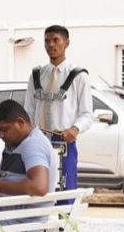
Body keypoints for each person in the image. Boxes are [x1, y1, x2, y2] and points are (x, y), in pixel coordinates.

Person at [24, 24, 91, 192]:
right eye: (47, 41)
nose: (51, 45)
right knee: (38, 191)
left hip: (65, 143)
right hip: (39, 141)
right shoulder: (36, 75)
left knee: (66, 192)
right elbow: (29, 111)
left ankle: (66, 217)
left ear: (66, 43)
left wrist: (75, 129)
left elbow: (87, 114)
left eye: (56, 40)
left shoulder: (79, 76)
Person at [0, 98, 57, 199]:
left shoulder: (33, 143)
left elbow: (38, 187)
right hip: (6, 210)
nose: (1, 135)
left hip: (23, 213)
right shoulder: (13, 143)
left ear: (20, 122)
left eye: (5, 130)